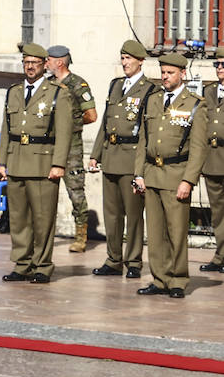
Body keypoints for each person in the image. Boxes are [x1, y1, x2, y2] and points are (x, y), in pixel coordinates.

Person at [0, 43, 71, 284]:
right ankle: (22, 263)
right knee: (19, 219)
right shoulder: (14, 91)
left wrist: (58, 164)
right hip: (17, 161)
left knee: (42, 219)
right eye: (26, 63)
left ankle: (42, 265)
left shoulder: (58, 93)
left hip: (42, 163)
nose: (30, 67)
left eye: (35, 63)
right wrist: (2, 162)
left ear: (44, 65)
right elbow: (6, 129)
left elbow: (64, 132)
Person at [133, 51, 204, 299]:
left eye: (170, 73)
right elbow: (143, 139)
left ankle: (178, 279)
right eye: (163, 72)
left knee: (176, 231)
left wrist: (188, 180)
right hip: (152, 173)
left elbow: (198, 148)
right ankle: (159, 278)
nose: (165, 77)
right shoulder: (153, 100)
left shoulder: (195, 104)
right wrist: (138, 174)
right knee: (154, 232)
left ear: (182, 74)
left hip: (176, 175)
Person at [88, 39, 151, 280]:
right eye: (123, 58)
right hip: (111, 156)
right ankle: (113, 259)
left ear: (140, 62)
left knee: (133, 215)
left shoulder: (148, 89)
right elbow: (106, 122)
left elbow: (146, 131)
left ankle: (133, 261)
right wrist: (96, 154)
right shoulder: (116, 86)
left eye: (129, 59)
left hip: (132, 157)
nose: (125, 63)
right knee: (112, 214)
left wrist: (140, 168)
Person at [46, 45, 97, 253]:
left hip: (72, 147)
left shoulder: (77, 84)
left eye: (48, 60)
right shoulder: (47, 84)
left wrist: (70, 124)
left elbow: (91, 115)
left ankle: (81, 236)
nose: (45, 63)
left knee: (76, 191)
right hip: (48, 144)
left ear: (60, 62)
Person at [199, 47, 224, 274]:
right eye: (217, 64)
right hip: (213, 159)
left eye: (222, 64)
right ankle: (220, 255)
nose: (219, 69)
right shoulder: (209, 91)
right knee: (217, 212)